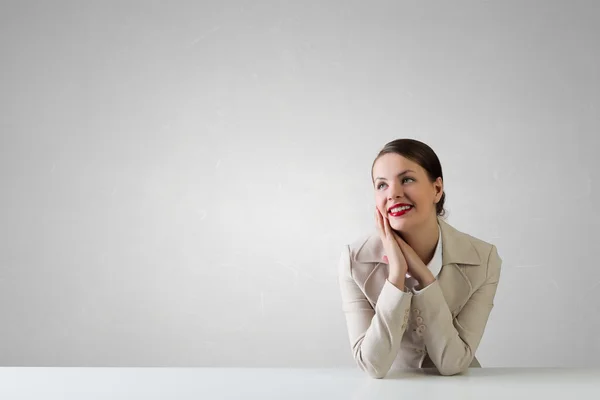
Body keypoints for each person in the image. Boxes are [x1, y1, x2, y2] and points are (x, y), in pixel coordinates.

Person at [337, 138, 502, 379]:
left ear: (437, 189)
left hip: (459, 392)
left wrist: (424, 277)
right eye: (381, 185)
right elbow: (373, 365)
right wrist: (396, 276)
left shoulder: (483, 259)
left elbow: (452, 363)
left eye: (407, 180)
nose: (393, 194)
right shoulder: (354, 260)